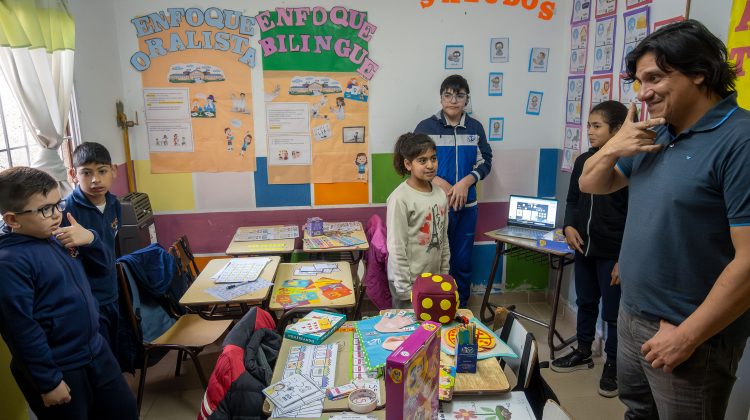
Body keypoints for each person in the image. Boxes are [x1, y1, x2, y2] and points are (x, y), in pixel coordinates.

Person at [578, 20, 750, 419]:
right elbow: (591, 184)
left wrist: (687, 336)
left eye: (654, 77)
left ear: (699, 72)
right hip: (633, 314)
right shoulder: (657, 133)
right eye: (639, 82)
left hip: (690, 337)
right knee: (637, 412)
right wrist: (613, 147)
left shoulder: (739, 139)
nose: (643, 92)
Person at [0, 167, 138, 420]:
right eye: (45, 209)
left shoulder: (55, 236)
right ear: (12, 219)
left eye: (58, 204)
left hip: (96, 350)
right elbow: (20, 328)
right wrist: (48, 381)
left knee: (126, 412)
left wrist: (91, 240)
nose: (56, 215)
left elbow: (103, 269)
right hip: (61, 367)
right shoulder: (9, 262)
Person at [551, 101, 629, 399]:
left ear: (617, 129)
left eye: (597, 126)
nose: (590, 132)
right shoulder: (584, 161)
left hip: (613, 252)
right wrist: (569, 226)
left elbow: (635, 213)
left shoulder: (627, 164)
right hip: (583, 247)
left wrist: (625, 258)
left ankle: (613, 362)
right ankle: (583, 350)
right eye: (588, 126)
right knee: (586, 301)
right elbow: (572, 199)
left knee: (612, 312)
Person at [414, 74, 493, 307]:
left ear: (466, 99)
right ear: (441, 99)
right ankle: (433, 306)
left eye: (459, 95)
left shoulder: (475, 127)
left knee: (463, 261)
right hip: (434, 206)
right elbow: (415, 161)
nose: (453, 100)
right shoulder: (425, 127)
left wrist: (465, 182)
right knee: (434, 260)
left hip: (467, 208)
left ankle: (461, 308)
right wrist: (439, 181)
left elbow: (486, 161)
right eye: (448, 95)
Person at [62, 142, 122, 355]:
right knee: (98, 355)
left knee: (114, 351)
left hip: (112, 292)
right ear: (73, 174)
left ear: (113, 170)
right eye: (86, 173)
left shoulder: (114, 204)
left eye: (102, 171)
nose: (96, 179)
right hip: (88, 300)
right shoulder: (66, 211)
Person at [386, 133, 450, 309]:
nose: (430, 165)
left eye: (433, 158)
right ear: (408, 164)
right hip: (407, 282)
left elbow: (444, 240)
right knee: (408, 333)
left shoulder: (441, 194)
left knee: (431, 330)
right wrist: (405, 290)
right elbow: (396, 246)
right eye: (422, 160)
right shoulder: (400, 198)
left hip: (432, 279)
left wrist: (444, 275)